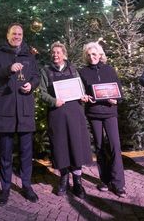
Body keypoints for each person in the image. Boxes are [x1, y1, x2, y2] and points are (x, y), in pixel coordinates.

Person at [0, 23, 40, 206]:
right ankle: (5, 188)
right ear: (8, 35)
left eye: (20, 34)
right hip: (6, 109)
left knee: (27, 152)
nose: (17, 36)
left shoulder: (29, 55)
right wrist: (8, 69)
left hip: (24, 109)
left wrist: (31, 85)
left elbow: (36, 75)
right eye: (14, 33)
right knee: (6, 153)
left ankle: (27, 185)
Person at [40, 42, 92, 199]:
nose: (56, 55)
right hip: (57, 113)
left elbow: (81, 89)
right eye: (53, 52)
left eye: (58, 52)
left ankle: (77, 182)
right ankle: (63, 179)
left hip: (75, 113)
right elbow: (42, 93)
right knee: (60, 146)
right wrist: (53, 101)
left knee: (76, 145)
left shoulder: (72, 69)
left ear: (64, 54)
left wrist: (83, 96)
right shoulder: (45, 70)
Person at [79, 42, 126, 197]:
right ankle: (105, 180)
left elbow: (119, 92)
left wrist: (116, 100)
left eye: (94, 54)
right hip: (94, 113)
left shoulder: (109, 69)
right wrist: (84, 97)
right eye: (89, 54)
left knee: (114, 146)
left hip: (110, 112)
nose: (92, 57)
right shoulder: (83, 72)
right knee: (99, 147)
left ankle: (118, 184)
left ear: (100, 55)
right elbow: (81, 92)